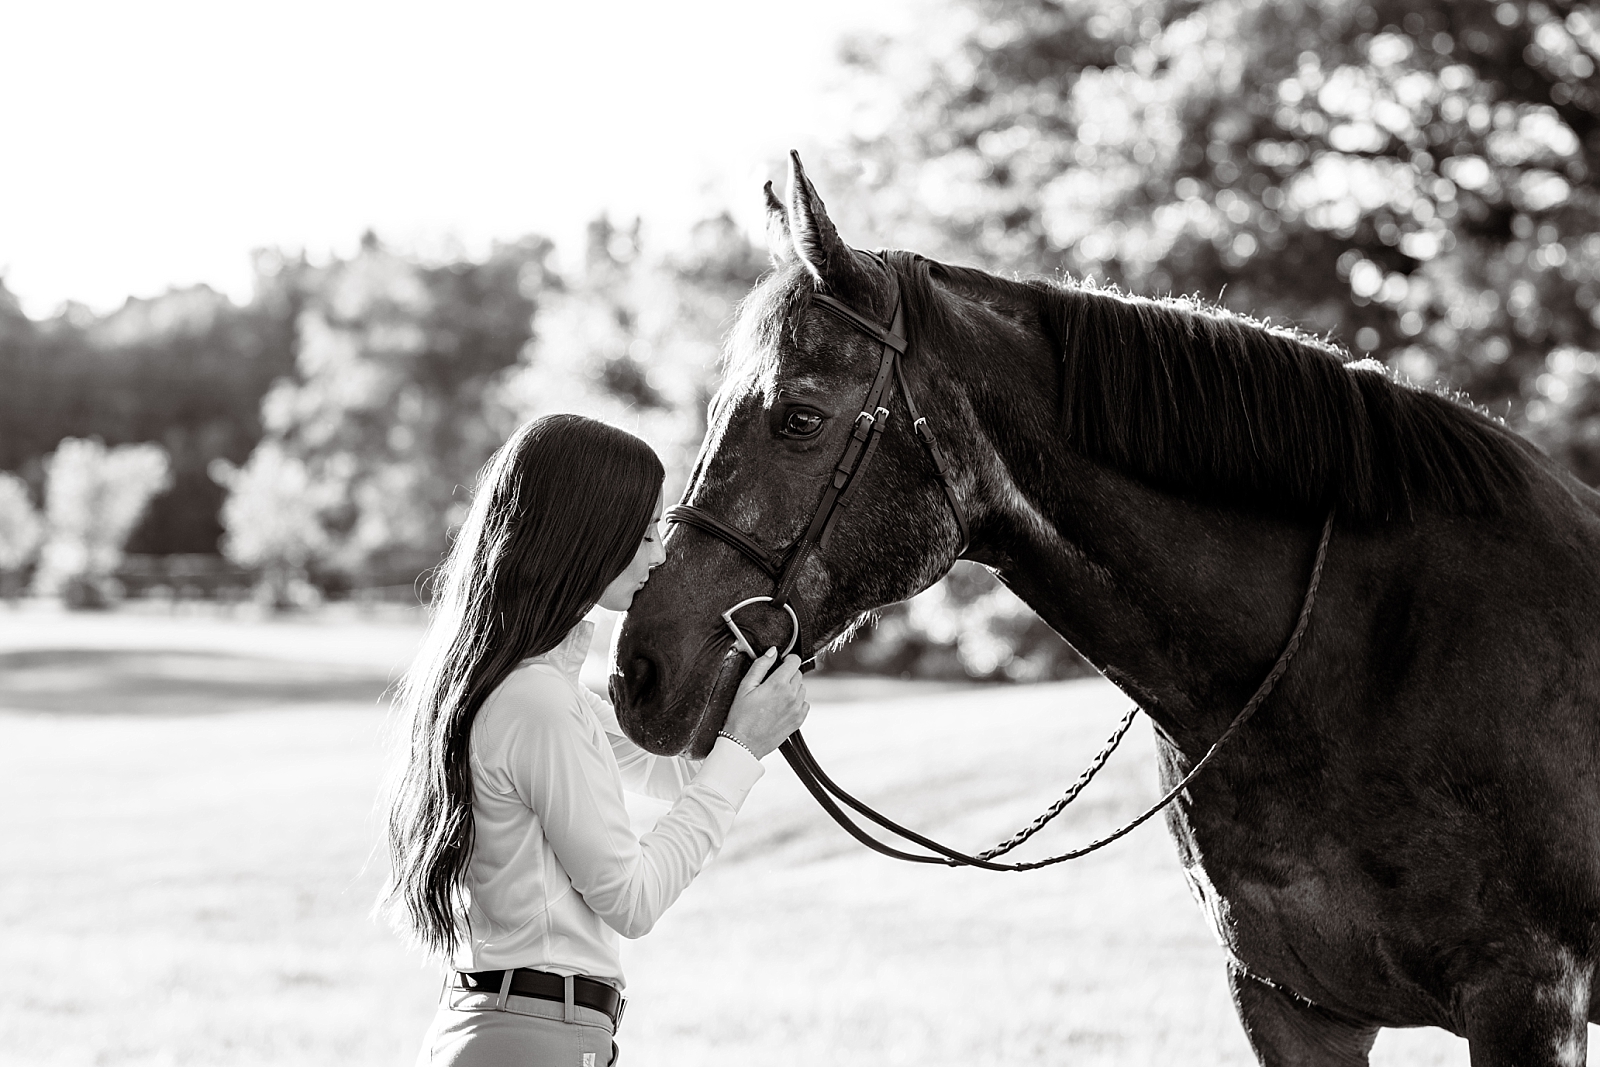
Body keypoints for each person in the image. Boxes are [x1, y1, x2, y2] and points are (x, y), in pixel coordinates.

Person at [382, 413, 808, 1066]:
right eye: (641, 535)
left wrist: (740, 699)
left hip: (518, 1031)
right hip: (531, 1039)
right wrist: (741, 747)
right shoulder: (536, 704)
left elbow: (677, 771)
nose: (659, 555)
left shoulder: (531, 689)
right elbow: (631, 899)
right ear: (583, 536)